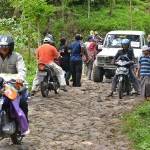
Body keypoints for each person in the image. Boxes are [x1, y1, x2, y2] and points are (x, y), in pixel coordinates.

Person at [0, 35, 29, 135]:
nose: (3, 49)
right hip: (1, 84)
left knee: (23, 102)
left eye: (6, 47)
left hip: (14, 84)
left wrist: (20, 78)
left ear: (10, 47)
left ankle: (23, 126)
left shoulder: (17, 56)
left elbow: (22, 69)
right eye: (1, 46)